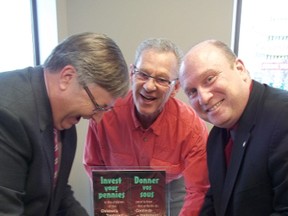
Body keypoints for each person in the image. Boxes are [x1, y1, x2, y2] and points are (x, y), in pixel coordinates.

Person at [0, 32, 129, 216]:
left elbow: (58, 195)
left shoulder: (64, 123)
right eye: (97, 106)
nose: (97, 118)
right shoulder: (8, 115)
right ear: (67, 77)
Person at [83, 38, 209, 216]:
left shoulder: (191, 127)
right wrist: (114, 205)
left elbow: (198, 190)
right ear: (131, 74)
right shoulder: (105, 114)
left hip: (170, 186)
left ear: (176, 87)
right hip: (119, 185)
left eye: (162, 79)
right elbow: (94, 165)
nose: (149, 86)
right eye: (143, 74)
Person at [179, 39, 288, 216]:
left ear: (240, 69)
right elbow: (215, 203)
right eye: (192, 91)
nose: (203, 98)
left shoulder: (283, 117)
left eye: (209, 79)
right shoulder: (217, 137)